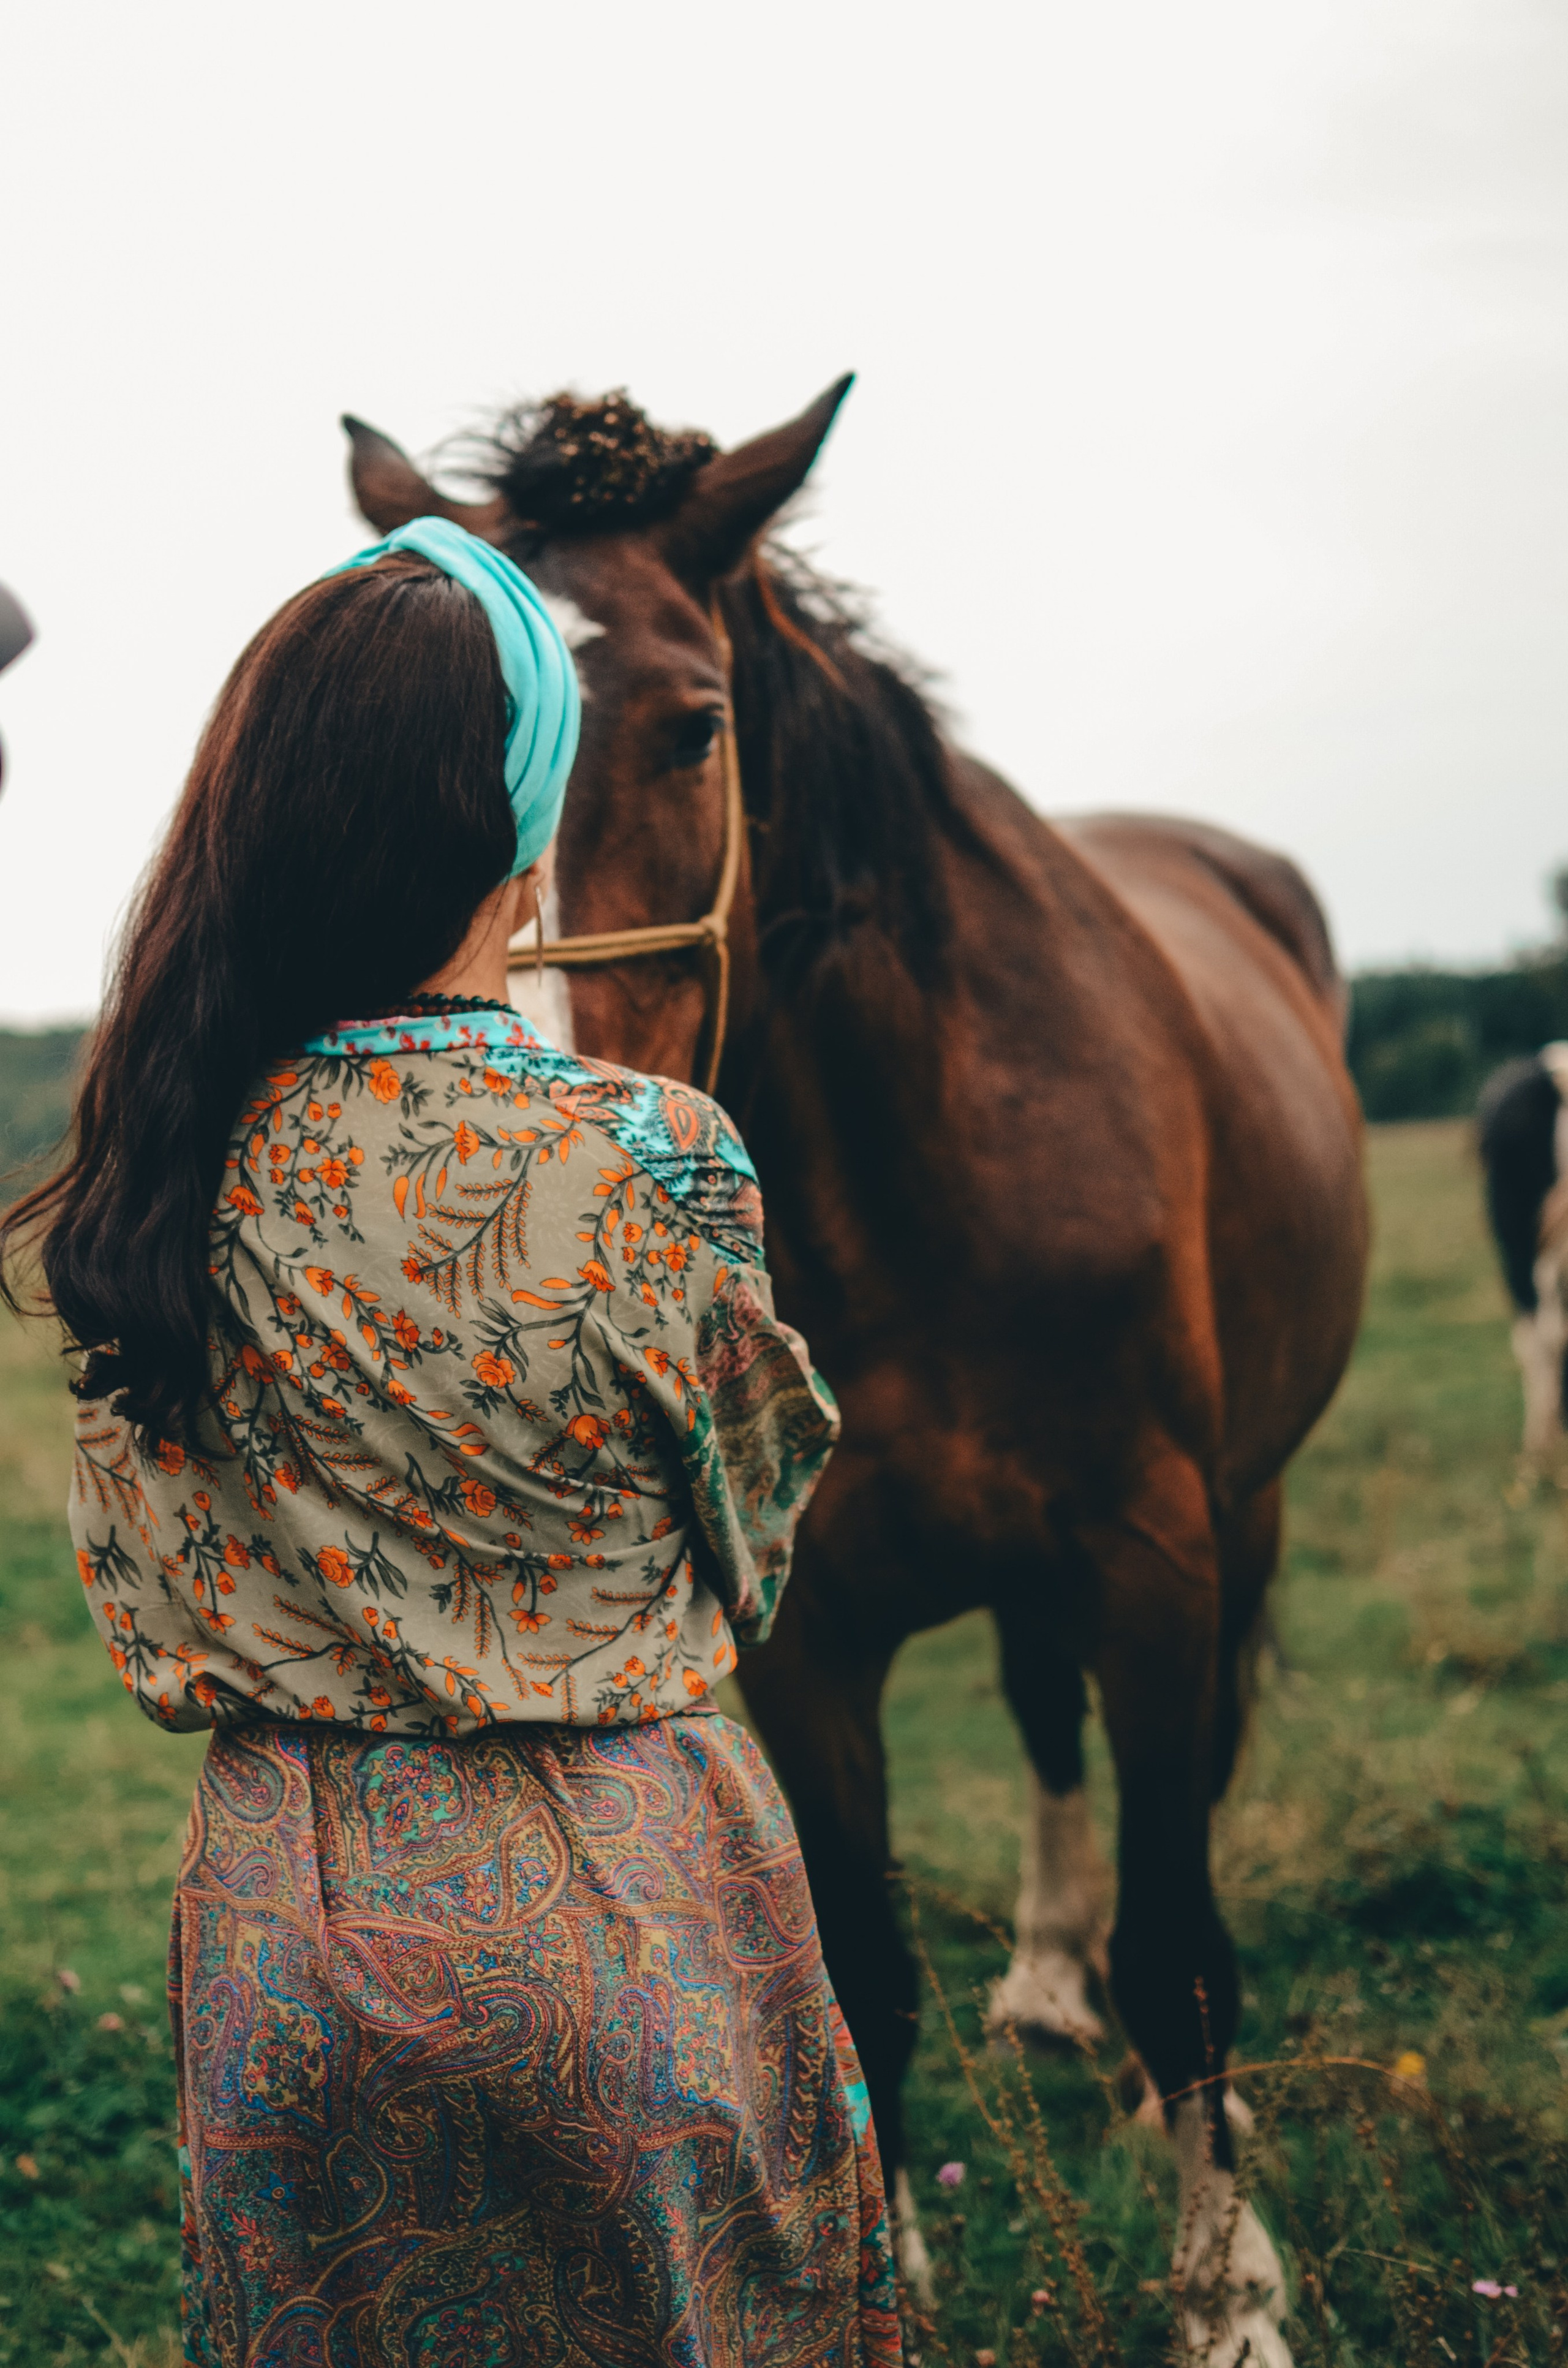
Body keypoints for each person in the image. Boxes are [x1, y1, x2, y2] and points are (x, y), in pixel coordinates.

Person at [1, 521, 902, 2368]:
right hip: (628, 1897)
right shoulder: (652, 1157)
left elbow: (143, 1577)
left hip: (283, 1917)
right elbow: (752, 1540)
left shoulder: (158, 1163)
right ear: (527, 826)